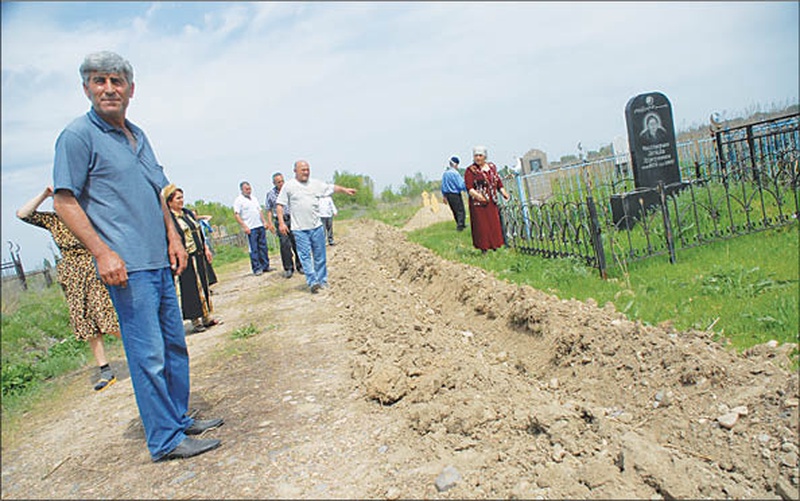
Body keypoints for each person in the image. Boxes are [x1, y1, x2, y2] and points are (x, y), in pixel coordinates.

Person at [52, 51, 223, 462]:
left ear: (131, 89)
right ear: (86, 88)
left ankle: (179, 419)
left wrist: (174, 238)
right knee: (147, 355)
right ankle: (164, 440)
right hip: (126, 268)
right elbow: (63, 201)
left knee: (174, 346)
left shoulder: (137, 134)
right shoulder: (77, 137)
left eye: (117, 81)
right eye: (99, 81)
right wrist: (103, 252)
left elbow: (157, 191)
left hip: (160, 261)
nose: (109, 88)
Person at [17, 186, 122, 392]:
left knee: (107, 319)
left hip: (92, 267)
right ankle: (105, 370)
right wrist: (44, 195)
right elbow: (22, 214)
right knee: (86, 323)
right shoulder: (53, 220)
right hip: (72, 274)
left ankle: (141, 350)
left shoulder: (88, 215)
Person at [276, 160, 356, 293]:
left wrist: (344, 190)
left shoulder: (315, 184)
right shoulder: (289, 186)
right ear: (295, 171)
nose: (306, 172)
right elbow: (279, 205)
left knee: (320, 256)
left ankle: (322, 281)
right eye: (303, 170)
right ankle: (312, 282)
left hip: (316, 226)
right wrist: (281, 223)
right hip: (299, 229)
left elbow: (331, 188)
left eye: (307, 169)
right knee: (305, 256)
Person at [163, 184, 220, 334]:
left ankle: (207, 316)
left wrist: (206, 248)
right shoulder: (169, 219)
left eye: (182, 197)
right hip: (186, 258)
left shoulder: (187, 213)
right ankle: (196, 320)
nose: (181, 201)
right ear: (170, 201)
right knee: (191, 289)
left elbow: (199, 231)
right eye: (178, 198)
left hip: (199, 254)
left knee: (204, 285)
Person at [464, 145, 510, 253]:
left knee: (494, 224)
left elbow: (498, 182)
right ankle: (484, 249)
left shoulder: (492, 167)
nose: (478, 158)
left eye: (480, 155)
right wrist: (479, 197)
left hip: (491, 202)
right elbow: (469, 187)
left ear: (485, 156)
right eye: (476, 156)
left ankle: (495, 246)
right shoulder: (471, 171)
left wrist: (503, 192)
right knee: (482, 227)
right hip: (479, 205)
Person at [265, 172, 304, 279]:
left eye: (282, 181)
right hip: (280, 221)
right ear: (274, 183)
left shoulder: (289, 190)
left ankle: (300, 265)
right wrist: (270, 223)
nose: (281, 183)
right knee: (285, 244)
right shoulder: (271, 194)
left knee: (297, 242)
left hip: (292, 219)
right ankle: (288, 268)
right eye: (278, 182)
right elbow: (268, 209)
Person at [233, 181, 272, 276]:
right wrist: (244, 226)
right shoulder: (239, 200)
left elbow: (259, 211)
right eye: (246, 189)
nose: (249, 191)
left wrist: (264, 222)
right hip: (250, 228)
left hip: (259, 226)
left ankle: (265, 266)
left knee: (263, 247)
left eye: (250, 189)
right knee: (254, 249)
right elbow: (237, 215)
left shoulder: (254, 199)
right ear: (242, 190)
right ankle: (257, 268)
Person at [441, 156, 467, 231]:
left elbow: (443, 186)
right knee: (460, 210)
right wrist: (467, 188)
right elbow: (460, 185)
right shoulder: (455, 174)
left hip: (448, 195)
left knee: (454, 210)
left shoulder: (445, 174)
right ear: (455, 164)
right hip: (455, 194)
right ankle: (460, 226)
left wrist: (444, 196)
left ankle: (459, 224)